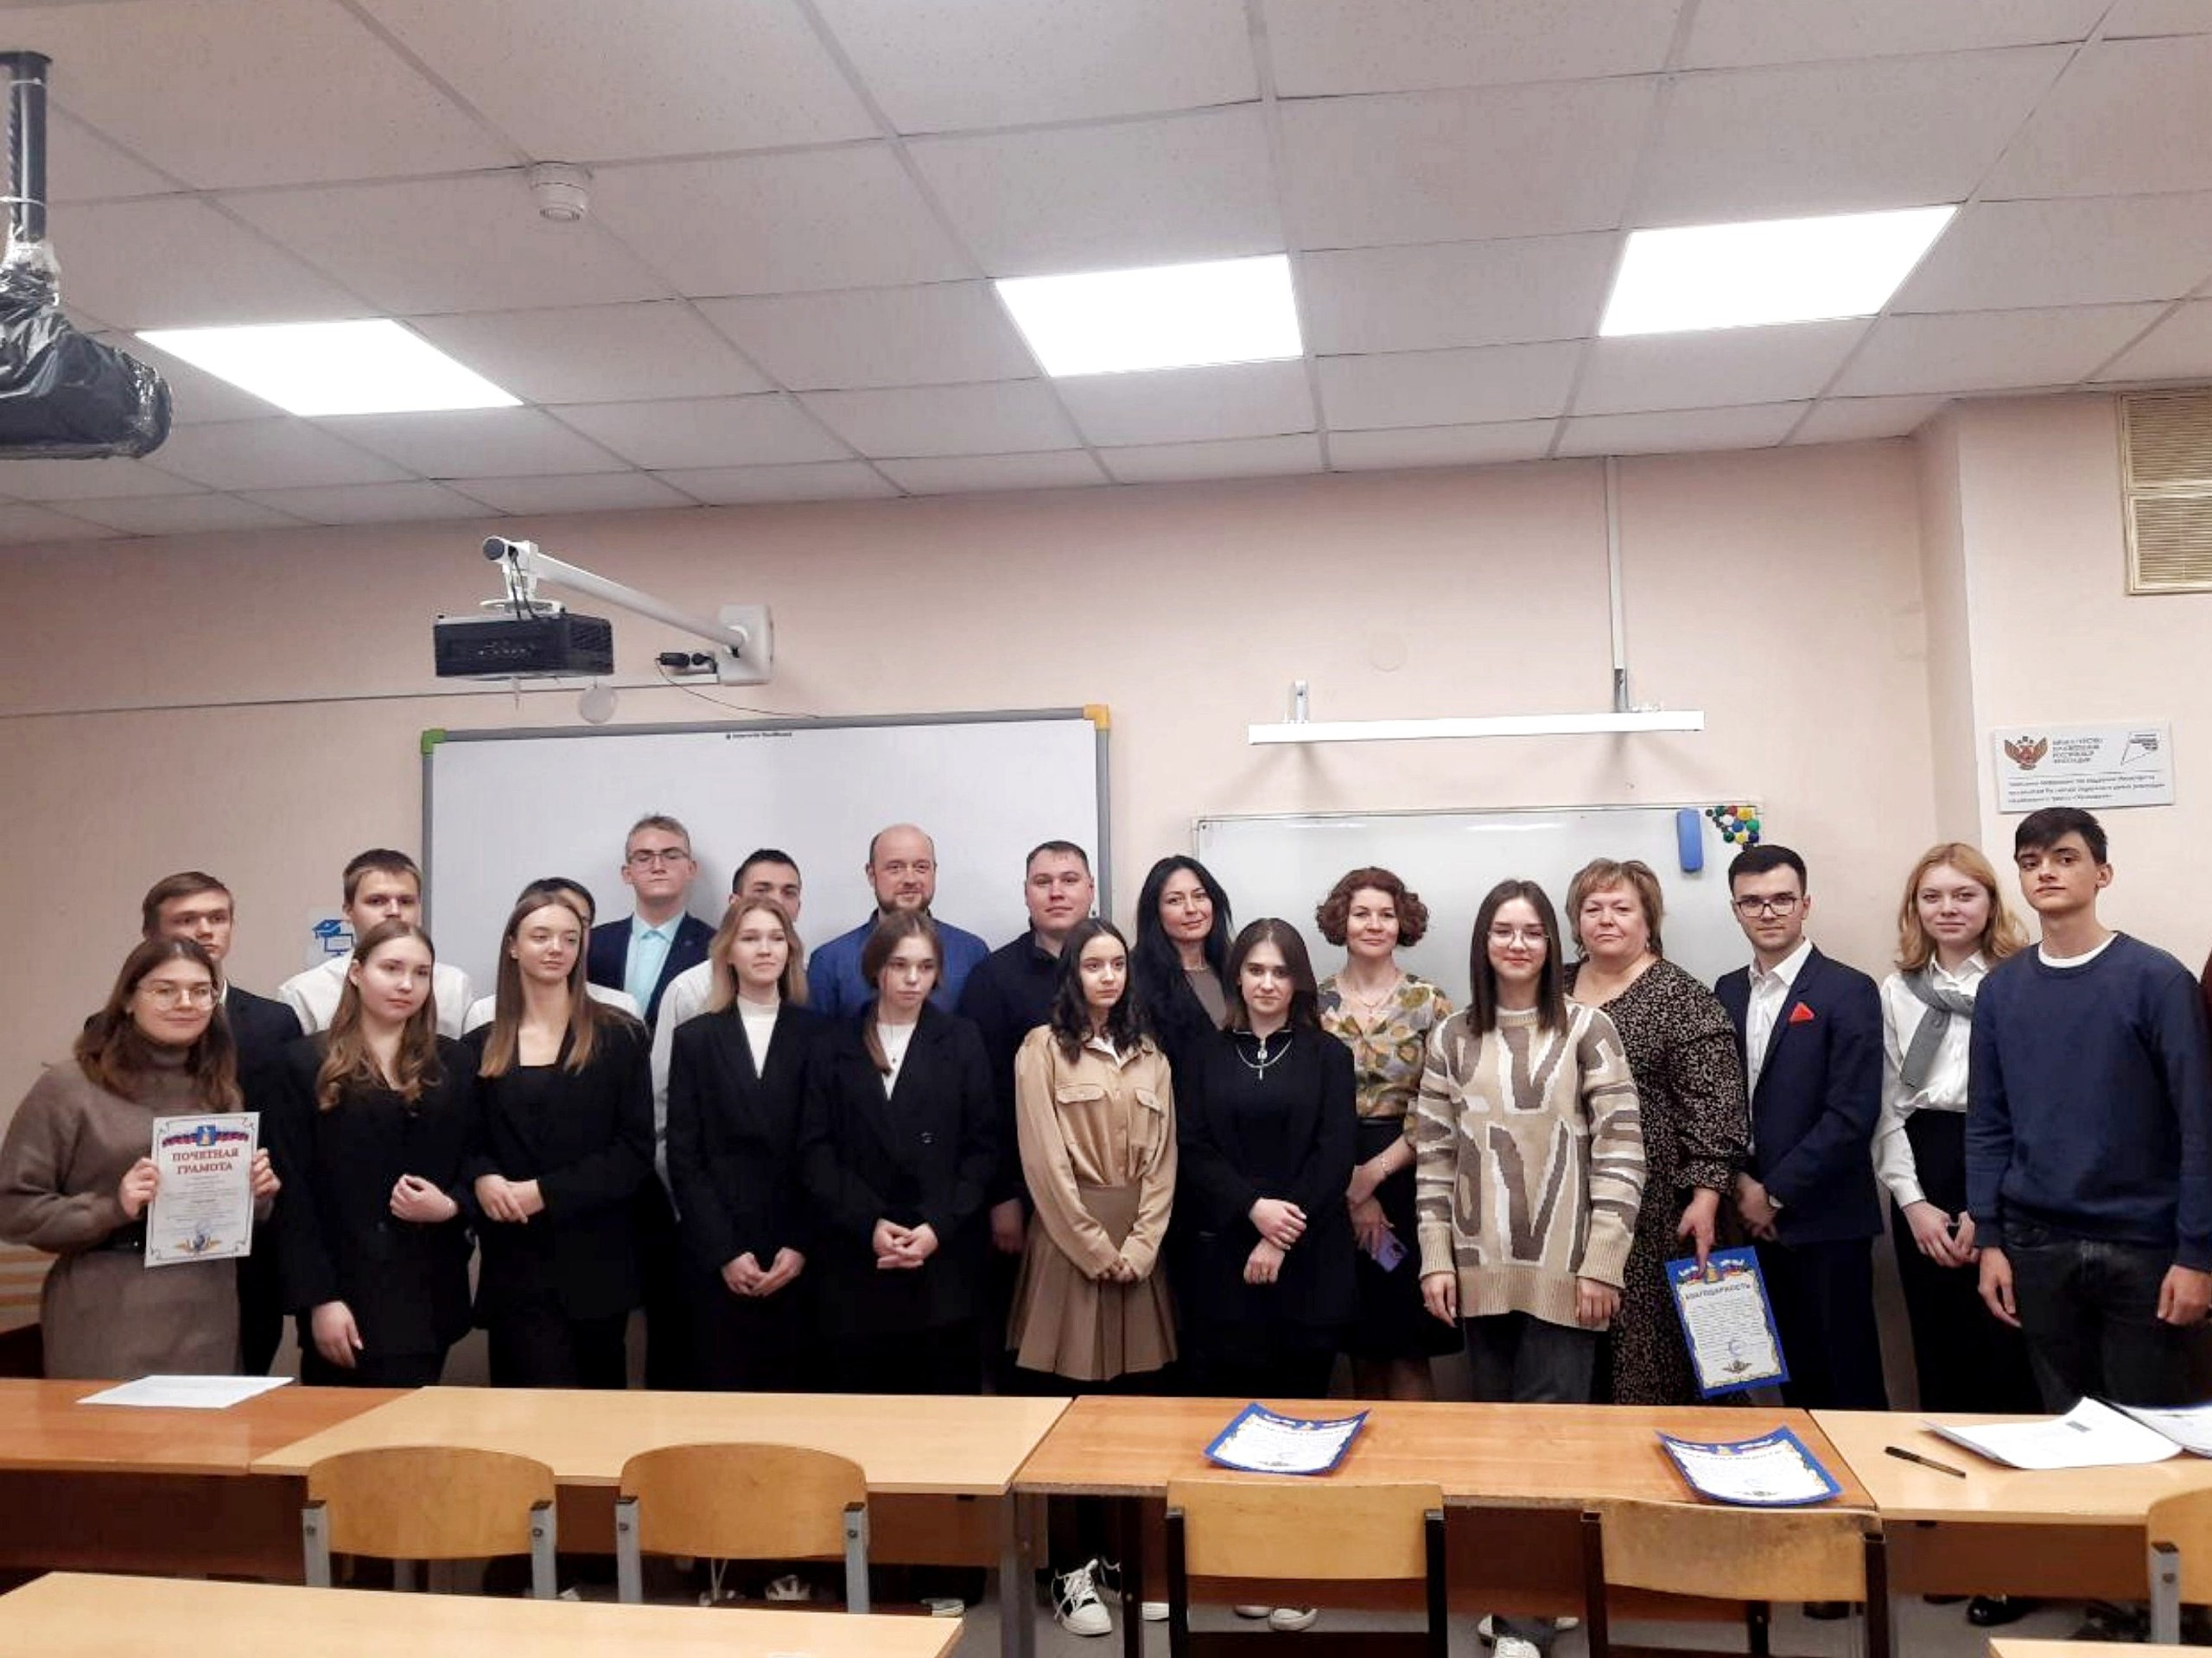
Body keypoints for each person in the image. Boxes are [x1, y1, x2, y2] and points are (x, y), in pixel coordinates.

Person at [1414, 879, 1643, 1658]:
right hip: (1480, 1273)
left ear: (1552, 944)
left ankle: (1524, 1621)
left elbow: (1622, 1151)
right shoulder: (1451, 1036)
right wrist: (1436, 1258)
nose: (1518, 943)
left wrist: (1603, 1262)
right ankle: (1532, 1593)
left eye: (1533, 931)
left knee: (1547, 1444)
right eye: (1503, 930)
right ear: (1483, 942)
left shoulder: (1588, 1028)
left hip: (1567, 1271)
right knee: (1498, 1447)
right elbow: (1434, 1156)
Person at [1970, 807, 2212, 1411]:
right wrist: (1990, 1240)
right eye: (2031, 862)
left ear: (2103, 873)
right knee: (2067, 1425)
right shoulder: (2000, 990)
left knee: (2154, 1431)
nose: (2046, 872)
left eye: (2065, 858)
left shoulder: (2158, 980)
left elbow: (2199, 1125)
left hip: (2144, 1245)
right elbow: (1989, 1124)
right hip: (2037, 1244)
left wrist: (2198, 1255)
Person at [0, 938, 278, 1378]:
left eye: (200, 991)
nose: (185, 1003)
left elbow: (230, 1212)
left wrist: (256, 1195)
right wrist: (114, 1206)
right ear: (129, 999)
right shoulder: (70, 1086)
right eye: (165, 990)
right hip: (109, 1304)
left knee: (206, 1424)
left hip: (208, 1305)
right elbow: (13, 1210)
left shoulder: (220, 1090)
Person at [1008, 918, 1178, 1638]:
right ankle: (1068, 1571)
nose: (1108, 976)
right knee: (1070, 1418)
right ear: (1072, 973)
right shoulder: (1041, 1049)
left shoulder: (1150, 1054)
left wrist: (1141, 1245)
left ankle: (1119, 1559)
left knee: (1131, 1415)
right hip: (1068, 1245)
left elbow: (1164, 1161)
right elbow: (1043, 1160)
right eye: (1093, 965)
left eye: (1118, 964)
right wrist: (1090, 1244)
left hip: (1137, 1250)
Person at [1562, 858, 1749, 1407]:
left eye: (1622, 908)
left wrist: (1707, 1199)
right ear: (1575, 922)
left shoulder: (1682, 997)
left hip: (1657, 1210)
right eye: (1593, 908)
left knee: (1650, 1360)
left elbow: (1717, 1108)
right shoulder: (1552, 988)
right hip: (1564, 1207)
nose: (1606, 919)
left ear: (1648, 920)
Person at [1714, 844, 1888, 1412]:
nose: (1768, 912)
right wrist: (1743, 1185)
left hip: (1826, 1220)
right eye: (1753, 902)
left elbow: (1852, 1113)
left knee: (1848, 1384)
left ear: (1805, 904)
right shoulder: (1727, 990)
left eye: (1782, 899)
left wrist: (1775, 1193)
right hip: (1750, 1221)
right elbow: (1720, 1101)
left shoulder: (1849, 989)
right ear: (1736, 910)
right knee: (1790, 1385)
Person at [270, 920, 476, 1387]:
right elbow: (294, 1194)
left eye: (421, 973)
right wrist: (319, 1299)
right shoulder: (304, 1063)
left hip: (428, 1290)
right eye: (392, 968)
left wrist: (452, 1205)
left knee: (416, 1427)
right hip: (345, 1290)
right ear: (357, 972)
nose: (406, 984)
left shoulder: (455, 1061)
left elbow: (477, 1156)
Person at [799, 911, 997, 1394]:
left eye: (925, 967)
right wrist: (869, 1223)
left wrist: (936, 1226)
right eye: (899, 965)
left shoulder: (962, 1039)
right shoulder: (832, 1045)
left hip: (942, 1259)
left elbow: (982, 1147)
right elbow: (815, 1150)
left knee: (944, 1411)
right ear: (876, 968)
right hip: (857, 1258)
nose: (913, 979)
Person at [463, 893, 654, 1389]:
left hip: (596, 1263)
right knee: (520, 1415)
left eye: (570, 939)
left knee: (594, 1416)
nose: (557, 948)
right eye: (541, 936)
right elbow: (467, 1141)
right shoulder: (479, 1044)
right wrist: (483, 1178)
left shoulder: (620, 1036)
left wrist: (545, 1192)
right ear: (512, 946)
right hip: (514, 1260)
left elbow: (634, 1152)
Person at [139, 870, 302, 1375]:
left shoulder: (275, 1023)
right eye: (187, 919)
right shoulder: (114, 1028)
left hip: (251, 1244)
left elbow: (287, 1135)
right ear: (152, 934)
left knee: (247, 1383)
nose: (206, 930)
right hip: (150, 1245)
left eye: (218, 917)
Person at [666, 894, 827, 1391]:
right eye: (751, 938)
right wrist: (725, 1251)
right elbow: (684, 1155)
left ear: (790, 950)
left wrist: (799, 1244)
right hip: (718, 1247)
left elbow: (827, 1149)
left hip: (798, 1247)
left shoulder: (821, 1036)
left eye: (776, 938)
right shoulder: (696, 1038)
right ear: (728, 952)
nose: (765, 949)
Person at [1313, 867, 1460, 1401]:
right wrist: (1352, 1191)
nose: (1374, 925)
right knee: (1360, 1345)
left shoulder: (1430, 1002)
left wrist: (1372, 1177)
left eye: (1386, 915)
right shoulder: (1313, 1003)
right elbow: (1306, 1104)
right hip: (1331, 1180)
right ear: (1341, 921)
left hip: (1410, 1181)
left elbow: (1442, 1102)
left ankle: (1418, 1455)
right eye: (1361, 914)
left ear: (1403, 923)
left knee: (1406, 1344)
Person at [958, 840, 1098, 1382]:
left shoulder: (1119, 968)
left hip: (1105, 1195)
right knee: (1028, 1357)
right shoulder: (993, 978)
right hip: (1026, 1198)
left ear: (1091, 889)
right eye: (1044, 882)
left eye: (1069, 879)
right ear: (1026, 893)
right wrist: (1002, 1197)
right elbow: (982, 1101)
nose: (1057, 892)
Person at [648, 849, 804, 1151]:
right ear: (734, 904)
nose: (776, 901)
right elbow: (664, 1100)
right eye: (762, 890)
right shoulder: (688, 990)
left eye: (789, 892)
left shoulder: (811, 985)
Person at [279, 848, 475, 1039]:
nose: (394, 911)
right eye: (376, 901)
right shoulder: (304, 993)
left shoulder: (453, 986)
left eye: (406, 901)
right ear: (348, 911)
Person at [807, 824, 988, 1019]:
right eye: (895, 868)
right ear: (871, 874)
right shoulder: (830, 961)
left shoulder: (972, 953)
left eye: (921, 867)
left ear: (934, 872)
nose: (910, 879)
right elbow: (817, 1036)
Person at [461, 878, 639, 1031]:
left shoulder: (620, 1011)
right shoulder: (484, 1014)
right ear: (514, 942)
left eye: (576, 929)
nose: (556, 947)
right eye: (541, 936)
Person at [586, 815, 714, 1026]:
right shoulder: (591, 943)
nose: (658, 866)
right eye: (644, 857)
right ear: (627, 873)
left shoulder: (716, 947)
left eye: (671, 856)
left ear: (691, 869)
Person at [1129, 855, 1234, 1074]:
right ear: (1155, 911)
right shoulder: (1134, 976)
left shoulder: (1235, 967)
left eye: (1200, 896)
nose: (1191, 909)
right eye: (1175, 900)